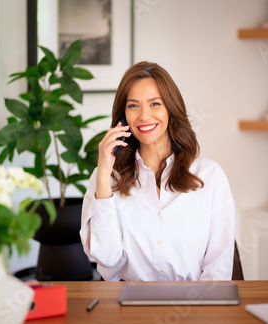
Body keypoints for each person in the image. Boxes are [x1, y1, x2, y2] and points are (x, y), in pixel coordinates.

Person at [80, 61, 235, 281]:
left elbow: (218, 268)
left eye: (155, 104)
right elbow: (106, 260)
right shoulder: (106, 177)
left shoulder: (209, 176)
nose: (144, 116)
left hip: (194, 306)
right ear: (123, 115)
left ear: (171, 108)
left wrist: (201, 311)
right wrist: (104, 176)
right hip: (128, 306)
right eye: (133, 105)